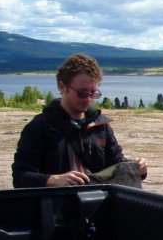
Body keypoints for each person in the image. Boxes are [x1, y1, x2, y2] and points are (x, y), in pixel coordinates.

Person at [12, 53, 147, 188]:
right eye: (82, 93)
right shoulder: (39, 127)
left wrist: (137, 168)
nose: (88, 99)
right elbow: (20, 177)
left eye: (93, 93)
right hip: (57, 205)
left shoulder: (101, 126)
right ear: (62, 86)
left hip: (98, 204)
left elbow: (115, 165)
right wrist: (53, 180)